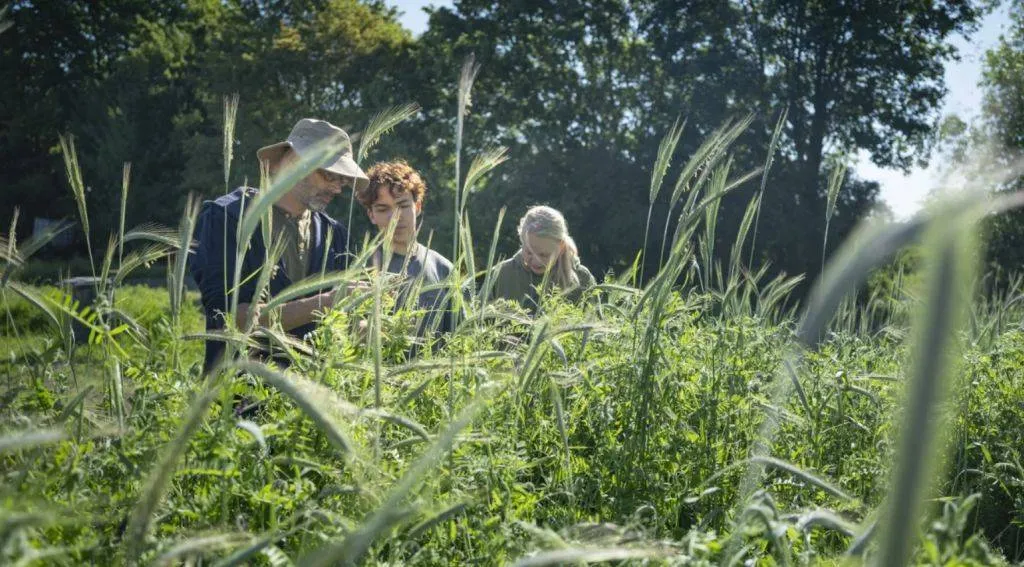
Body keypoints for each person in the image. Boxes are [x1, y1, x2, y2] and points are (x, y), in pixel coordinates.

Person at [190, 118, 368, 373]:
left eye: (344, 181)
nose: (337, 189)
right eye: (330, 175)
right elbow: (232, 320)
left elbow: (347, 327)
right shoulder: (227, 218)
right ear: (294, 160)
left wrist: (372, 320)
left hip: (312, 401)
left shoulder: (335, 234)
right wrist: (326, 302)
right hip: (238, 398)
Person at [355, 159, 455, 335]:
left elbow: (460, 338)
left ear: (417, 206)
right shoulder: (358, 270)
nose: (396, 217)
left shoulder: (443, 269)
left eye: (402, 205)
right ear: (371, 215)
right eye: (383, 209)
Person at [487, 205, 596, 311]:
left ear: (561, 247)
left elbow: (596, 324)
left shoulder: (582, 279)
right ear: (522, 242)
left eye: (544, 255)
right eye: (529, 252)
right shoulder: (501, 274)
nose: (536, 261)